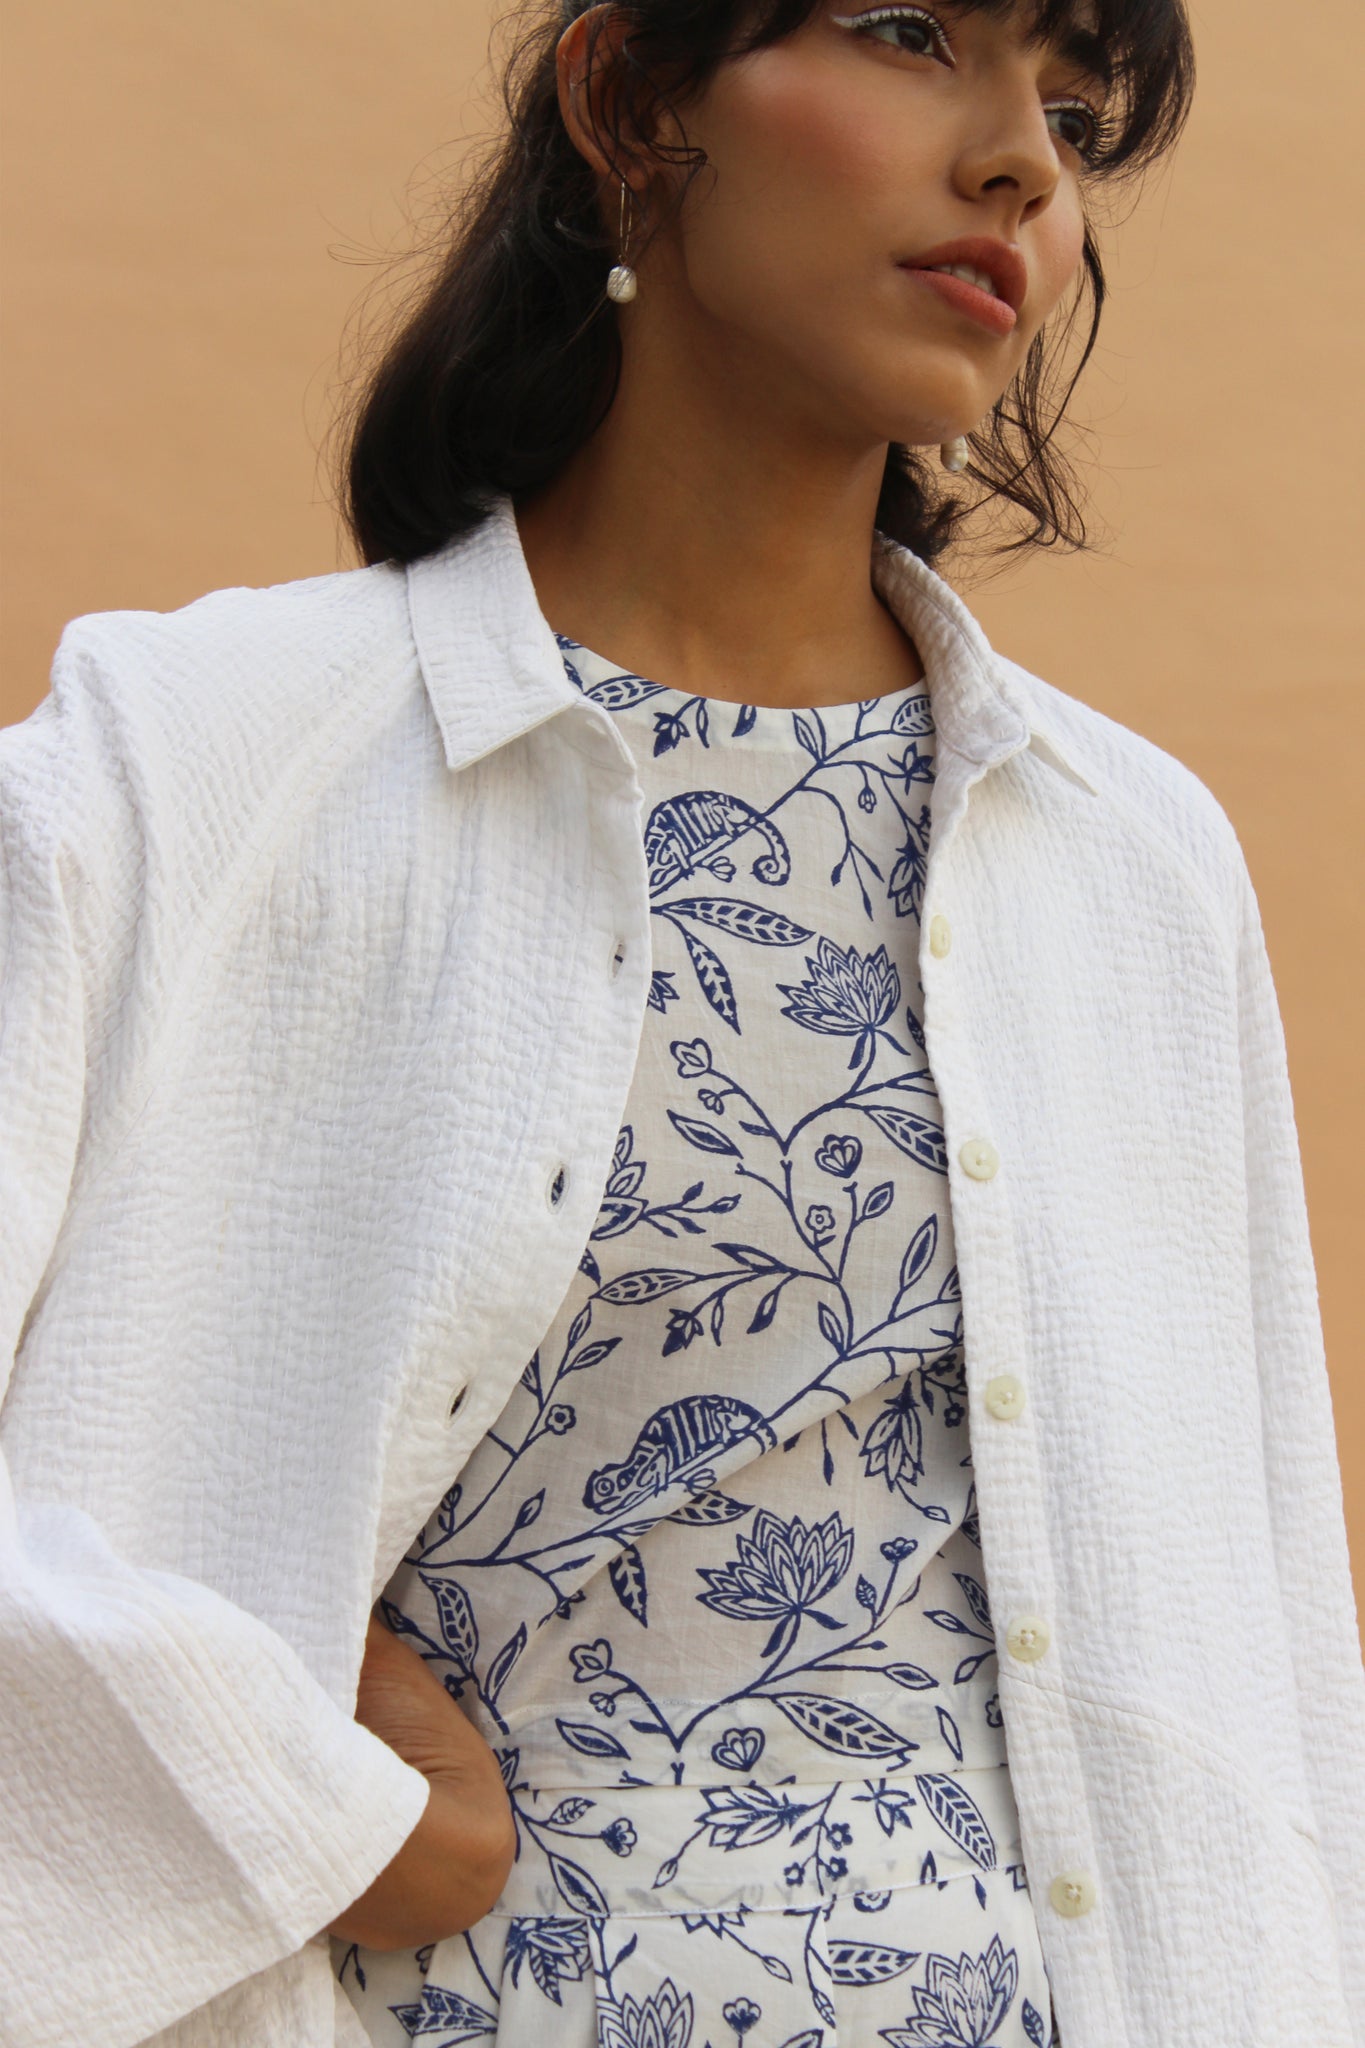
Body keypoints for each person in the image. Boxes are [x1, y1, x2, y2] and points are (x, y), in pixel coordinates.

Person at [1, 0, 1361, 2043]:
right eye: (910, 31)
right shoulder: (186, 768)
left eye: (1075, 114)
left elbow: (1260, 1653)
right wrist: (291, 1795)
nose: (1019, 159)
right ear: (629, 99)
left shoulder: (1129, 860)